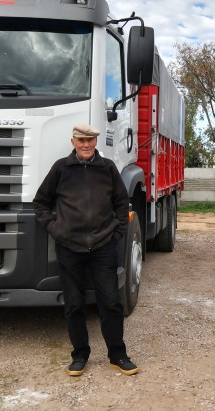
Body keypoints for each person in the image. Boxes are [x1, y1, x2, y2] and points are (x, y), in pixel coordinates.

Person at [32, 124, 138, 377]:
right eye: (81, 140)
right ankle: (79, 355)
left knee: (110, 303)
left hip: (103, 247)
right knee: (73, 304)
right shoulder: (61, 168)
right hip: (69, 247)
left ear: (95, 142)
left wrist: (116, 233)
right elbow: (40, 202)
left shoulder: (108, 168)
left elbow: (122, 203)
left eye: (90, 140)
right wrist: (56, 230)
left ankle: (117, 355)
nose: (86, 145)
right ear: (73, 142)